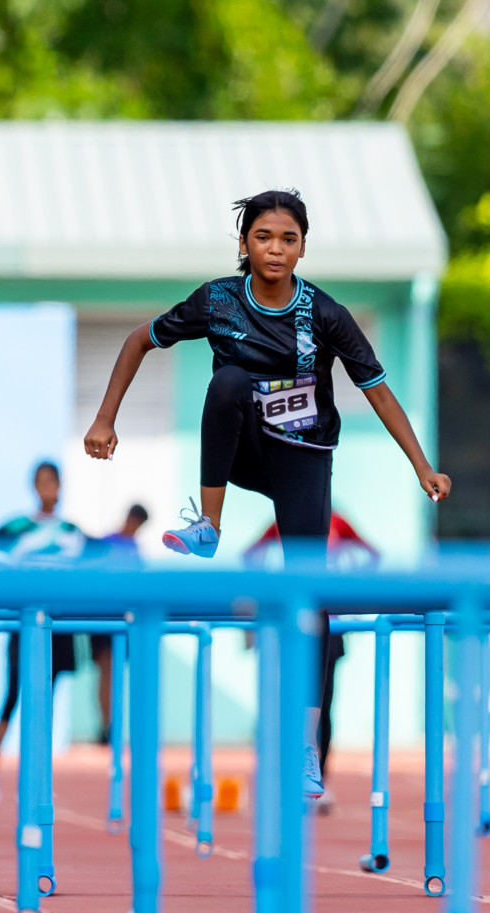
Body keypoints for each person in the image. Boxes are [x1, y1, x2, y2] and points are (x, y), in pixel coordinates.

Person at [83, 188, 450, 800]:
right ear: (244, 245)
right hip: (245, 450)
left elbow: (380, 389)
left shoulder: (325, 314)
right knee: (227, 382)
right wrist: (104, 419)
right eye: (263, 237)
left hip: (303, 457)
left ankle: (307, 745)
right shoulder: (219, 300)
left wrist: (421, 464)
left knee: (313, 589)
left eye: (288, 239)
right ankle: (209, 524)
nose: (275, 249)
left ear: (303, 246)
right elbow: (136, 341)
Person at [0, 460, 90, 807]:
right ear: (34, 486)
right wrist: (10, 575)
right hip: (24, 621)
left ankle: (37, 779)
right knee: (13, 695)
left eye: (52, 481)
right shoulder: (19, 525)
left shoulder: (72, 530)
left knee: (46, 702)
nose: (47, 487)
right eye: (41, 481)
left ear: (60, 486)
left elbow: (96, 561)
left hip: (58, 626)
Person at [244, 510, 379, 814]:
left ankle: (318, 779)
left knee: (323, 705)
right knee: (286, 701)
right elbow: (249, 555)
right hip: (291, 623)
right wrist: (266, 591)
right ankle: (281, 778)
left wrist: (348, 584)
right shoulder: (281, 520)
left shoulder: (336, 521)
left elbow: (373, 554)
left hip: (327, 624)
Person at [89, 503, 149, 744]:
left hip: (124, 618)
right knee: (106, 670)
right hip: (104, 616)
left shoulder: (135, 550)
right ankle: (106, 726)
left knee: (115, 672)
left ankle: (115, 726)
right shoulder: (106, 543)